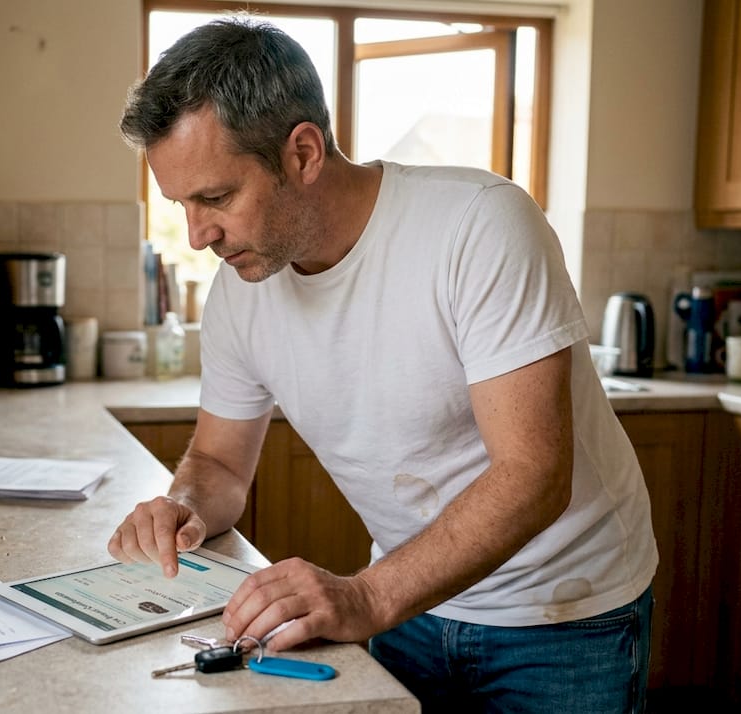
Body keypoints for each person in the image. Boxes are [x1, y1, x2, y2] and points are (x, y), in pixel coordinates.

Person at [108, 16, 658, 713]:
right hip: (411, 601)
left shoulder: (478, 225)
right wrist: (181, 508)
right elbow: (218, 467)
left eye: (215, 198)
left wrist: (364, 596)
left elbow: (535, 475)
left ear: (302, 153)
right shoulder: (240, 293)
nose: (196, 235)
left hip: (561, 615)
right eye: (181, 205)